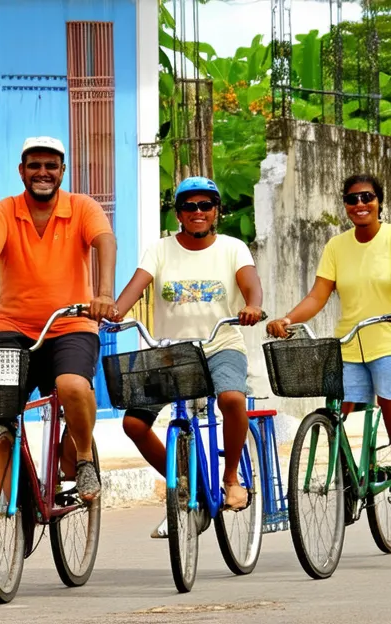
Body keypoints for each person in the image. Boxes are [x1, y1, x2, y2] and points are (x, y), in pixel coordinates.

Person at [0, 136, 118, 504]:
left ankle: (83, 457)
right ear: (22, 171)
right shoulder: (5, 210)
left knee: (73, 386)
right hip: (14, 326)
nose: (43, 173)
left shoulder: (82, 207)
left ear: (62, 171)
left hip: (71, 324)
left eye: (51, 166)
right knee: (2, 411)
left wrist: (103, 295)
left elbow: (105, 241)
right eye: (35, 166)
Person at [266, 173, 391, 552]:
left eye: (367, 197)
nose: (360, 205)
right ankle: (347, 479)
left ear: (379, 202)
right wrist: (287, 319)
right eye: (352, 200)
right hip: (349, 346)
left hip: (388, 340)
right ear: (346, 206)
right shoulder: (337, 246)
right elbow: (317, 296)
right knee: (336, 413)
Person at [112, 176, 264, 538]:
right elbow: (134, 287)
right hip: (171, 352)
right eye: (189, 206)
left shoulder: (232, 248)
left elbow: (250, 282)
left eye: (205, 206)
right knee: (134, 424)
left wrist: (254, 305)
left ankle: (231, 477)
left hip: (220, 344)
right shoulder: (160, 249)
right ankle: (184, 485)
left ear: (216, 211)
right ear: (178, 213)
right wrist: (113, 313)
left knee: (231, 398)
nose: (198, 212)